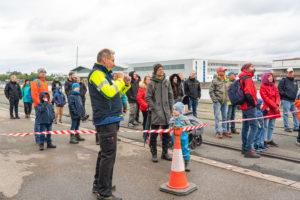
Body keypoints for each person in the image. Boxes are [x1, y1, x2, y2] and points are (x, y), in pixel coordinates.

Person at [89, 49, 131, 200]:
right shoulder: (96, 73)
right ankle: (104, 192)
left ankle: (100, 184)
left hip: (110, 118)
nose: (114, 63)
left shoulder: (104, 74)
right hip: (106, 119)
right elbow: (108, 92)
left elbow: (116, 94)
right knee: (108, 156)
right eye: (112, 60)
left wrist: (125, 85)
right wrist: (119, 79)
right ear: (104, 59)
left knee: (104, 154)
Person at [145, 63, 174, 163]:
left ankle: (165, 153)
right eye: (159, 69)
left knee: (166, 135)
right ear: (155, 71)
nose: (162, 71)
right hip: (156, 113)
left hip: (166, 113)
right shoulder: (151, 83)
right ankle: (154, 153)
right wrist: (155, 107)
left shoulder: (167, 82)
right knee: (154, 135)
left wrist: (171, 109)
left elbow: (171, 96)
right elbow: (147, 97)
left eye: (162, 69)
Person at [239, 63, 260, 158]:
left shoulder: (241, 78)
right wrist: (254, 104)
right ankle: (248, 149)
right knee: (254, 127)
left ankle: (244, 147)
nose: (254, 68)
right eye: (252, 67)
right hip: (249, 106)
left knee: (245, 127)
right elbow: (248, 93)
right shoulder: (247, 79)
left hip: (244, 106)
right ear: (247, 68)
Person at [169, 102, 192, 172]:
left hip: (184, 138)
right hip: (175, 138)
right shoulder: (172, 119)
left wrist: (183, 127)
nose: (174, 111)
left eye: (176, 110)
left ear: (180, 111)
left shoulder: (184, 118)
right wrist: (171, 130)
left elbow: (190, 127)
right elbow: (170, 128)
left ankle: (186, 164)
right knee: (175, 150)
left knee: (185, 149)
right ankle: (176, 163)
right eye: (173, 109)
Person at [260, 72, 281, 147]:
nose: (271, 78)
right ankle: (264, 140)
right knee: (265, 125)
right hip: (267, 108)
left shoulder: (274, 86)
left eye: (271, 76)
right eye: (269, 77)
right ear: (265, 78)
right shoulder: (262, 86)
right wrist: (274, 105)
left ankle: (269, 139)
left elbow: (278, 96)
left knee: (271, 125)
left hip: (274, 108)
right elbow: (265, 98)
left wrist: (277, 104)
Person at [209, 67, 231, 139]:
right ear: (218, 72)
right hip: (217, 102)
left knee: (225, 117)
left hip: (225, 102)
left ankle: (224, 131)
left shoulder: (226, 80)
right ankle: (217, 131)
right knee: (217, 117)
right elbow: (211, 91)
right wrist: (215, 100)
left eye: (224, 71)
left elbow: (229, 90)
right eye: (222, 71)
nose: (224, 72)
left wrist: (228, 98)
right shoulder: (214, 81)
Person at [31, 68, 50, 144]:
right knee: (38, 122)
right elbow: (34, 94)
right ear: (38, 73)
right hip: (39, 105)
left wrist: (48, 103)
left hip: (46, 105)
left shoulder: (44, 82)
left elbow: (47, 94)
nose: (43, 73)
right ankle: (37, 138)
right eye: (42, 72)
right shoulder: (36, 82)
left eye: (44, 72)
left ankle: (42, 136)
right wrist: (40, 104)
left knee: (44, 122)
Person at [278, 67, 299, 132]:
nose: (291, 73)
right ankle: (286, 127)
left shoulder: (295, 81)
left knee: (295, 114)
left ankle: (296, 127)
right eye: (289, 72)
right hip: (286, 100)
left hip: (293, 101)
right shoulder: (283, 80)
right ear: (287, 73)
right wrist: (286, 95)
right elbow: (279, 89)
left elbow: (296, 89)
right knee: (286, 114)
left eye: (292, 72)